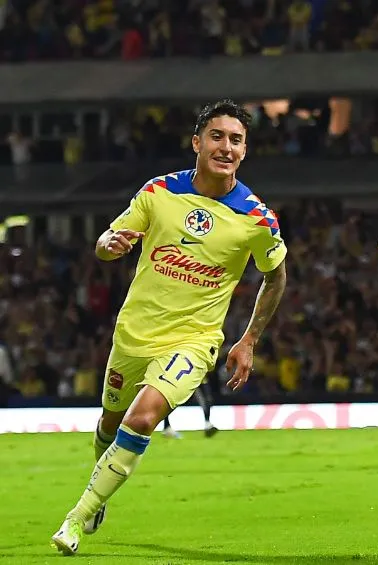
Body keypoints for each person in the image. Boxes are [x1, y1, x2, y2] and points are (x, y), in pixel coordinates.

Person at [50, 99, 288, 556]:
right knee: (110, 421)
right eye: (217, 136)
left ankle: (76, 518)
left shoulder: (256, 217)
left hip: (194, 341)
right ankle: (99, 492)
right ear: (197, 143)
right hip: (134, 334)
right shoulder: (159, 191)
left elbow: (276, 274)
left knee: (143, 417)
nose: (226, 146)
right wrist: (108, 244)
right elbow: (107, 242)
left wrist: (249, 338)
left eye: (236, 140)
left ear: (245, 151)